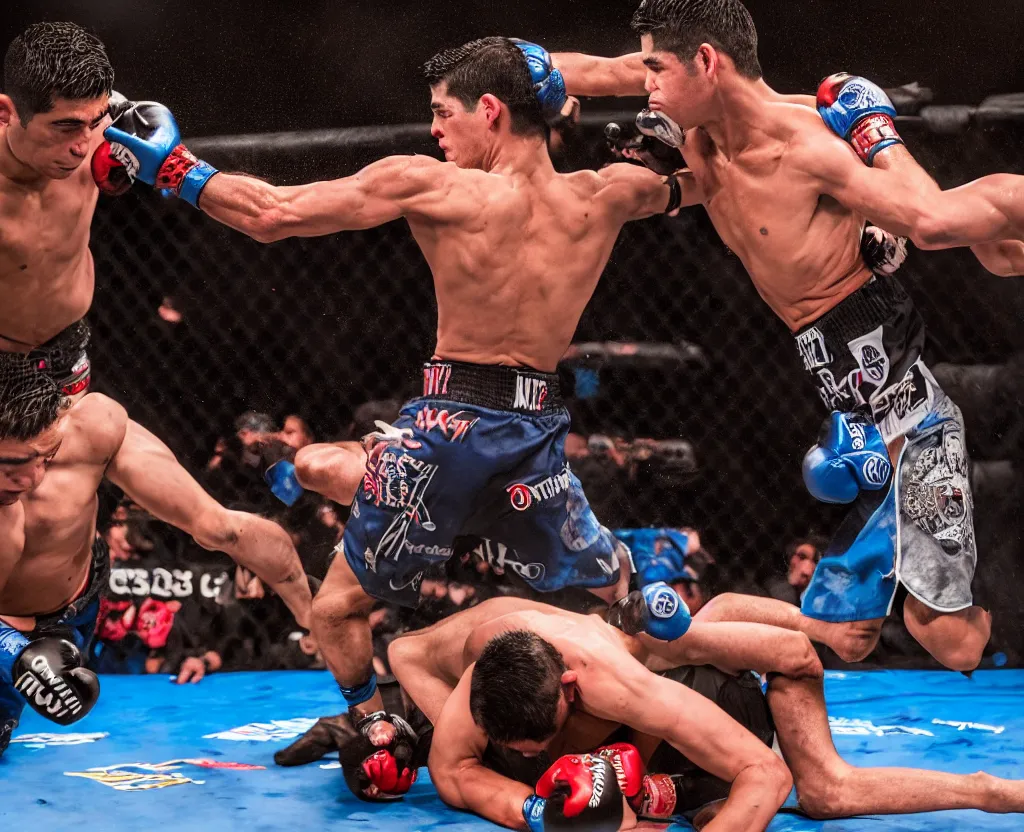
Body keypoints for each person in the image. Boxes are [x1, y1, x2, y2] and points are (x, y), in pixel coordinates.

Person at [100, 35, 702, 744]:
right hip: (537, 434)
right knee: (621, 594)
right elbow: (713, 173)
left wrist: (174, 168)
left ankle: (377, 729)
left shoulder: (434, 184)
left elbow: (273, 215)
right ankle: (679, 660)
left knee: (334, 610)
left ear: (489, 110)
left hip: (446, 434)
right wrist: (688, 144)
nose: (436, 130)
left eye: (444, 113)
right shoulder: (608, 193)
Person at [550, 0, 1024, 670]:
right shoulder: (704, 144)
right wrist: (514, 68)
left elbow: (929, 219)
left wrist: (876, 133)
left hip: (909, 419)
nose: (645, 84)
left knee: (951, 639)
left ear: (707, 62)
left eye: (657, 69)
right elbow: (595, 72)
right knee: (850, 635)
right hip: (848, 407)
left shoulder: (805, 145)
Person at [383, 597, 1024, 830]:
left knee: (825, 791)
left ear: (571, 689)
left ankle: (994, 793)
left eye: (540, 742)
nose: (531, 756)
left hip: (762, 671)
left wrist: (815, 630)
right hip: (674, 686)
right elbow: (454, 772)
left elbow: (766, 774)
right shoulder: (490, 674)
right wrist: (534, 812)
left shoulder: (626, 678)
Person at [0, 357, 312, 756]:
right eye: (13, 464)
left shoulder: (89, 429)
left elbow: (219, 525)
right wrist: (15, 652)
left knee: (216, 527)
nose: (32, 479)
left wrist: (308, 606)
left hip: (66, 605)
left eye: (45, 455)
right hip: (10, 629)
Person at [0, 22, 137, 398]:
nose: (82, 146)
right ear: (7, 112)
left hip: (69, 347)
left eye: (92, 122)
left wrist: (185, 172)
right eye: (66, 127)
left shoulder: (113, 131)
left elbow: (261, 214)